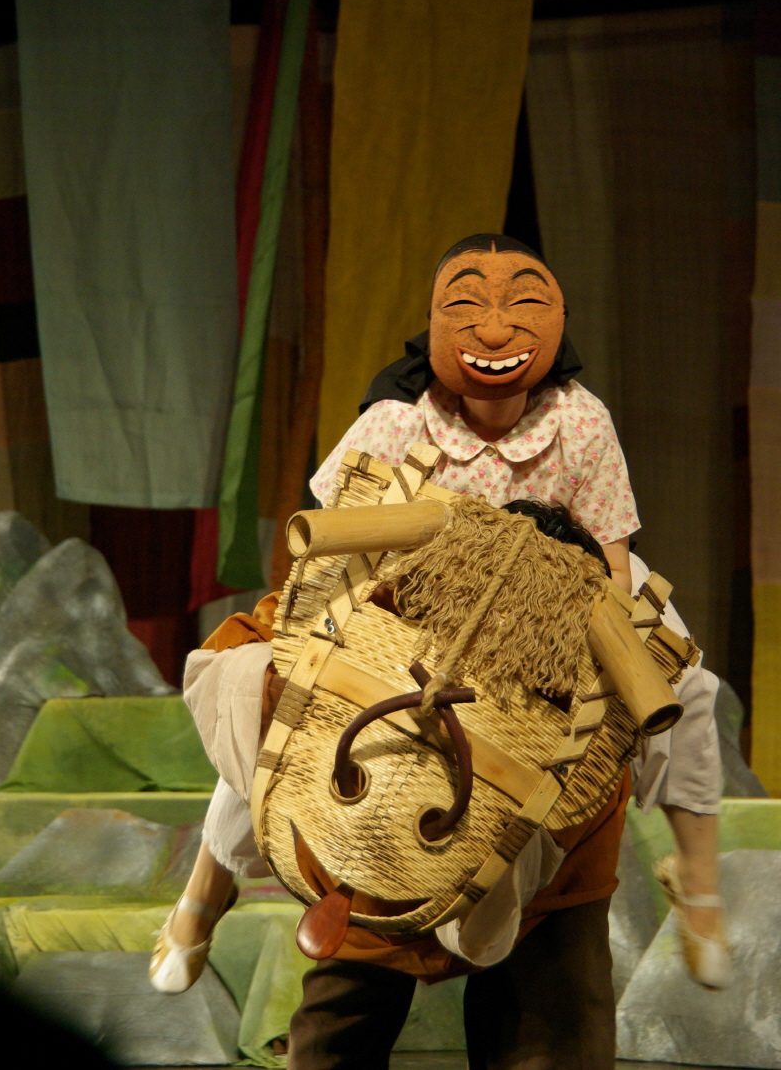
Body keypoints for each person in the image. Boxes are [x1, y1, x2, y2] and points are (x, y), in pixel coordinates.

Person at [150, 234, 728, 1064]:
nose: (494, 329)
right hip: (412, 602)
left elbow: (609, 555)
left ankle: (699, 884)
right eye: (469, 306)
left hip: (545, 616)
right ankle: (206, 894)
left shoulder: (579, 421)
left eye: (521, 304)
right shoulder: (397, 422)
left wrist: (584, 623)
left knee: (688, 683)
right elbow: (335, 546)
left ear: (557, 323)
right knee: (281, 699)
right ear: (436, 322)